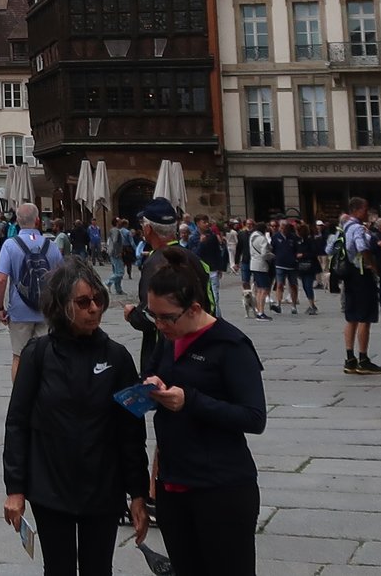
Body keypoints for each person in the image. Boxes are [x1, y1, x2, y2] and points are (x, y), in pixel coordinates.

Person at [2, 262, 151, 576]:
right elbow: (17, 422)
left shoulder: (118, 357)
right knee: (59, 569)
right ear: (61, 306)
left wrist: (138, 492)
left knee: (99, 569)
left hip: (103, 487)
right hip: (50, 485)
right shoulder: (37, 354)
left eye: (98, 299)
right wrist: (15, 488)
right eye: (83, 302)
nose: (94, 308)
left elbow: (132, 432)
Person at [137, 246, 269, 575]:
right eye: (153, 315)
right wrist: (149, 386)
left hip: (221, 489)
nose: (160, 324)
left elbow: (254, 417)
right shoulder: (168, 339)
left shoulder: (230, 345)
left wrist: (191, 401)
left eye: (167, 317)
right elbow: (152, 373)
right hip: (173, 486)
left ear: (194, 307)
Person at [0, 202, 66, 379]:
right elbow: (62, 278)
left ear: (17, 221)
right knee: (46, 356)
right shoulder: (51, 246)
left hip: (19, 310)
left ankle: (20, 397)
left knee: (19, 357)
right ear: (37, 220)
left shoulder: (10, 245)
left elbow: (1, 279)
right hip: (46, 309)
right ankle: (44, 395)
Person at [338, 196, 381, 375]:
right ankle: (363, 359)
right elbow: (361, 247)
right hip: (361, 274)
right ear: (357, 210)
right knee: (364, 317)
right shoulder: (358, 228)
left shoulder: (343, 227)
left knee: (351, 317)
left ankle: (349, 359)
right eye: (365, 209)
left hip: (349, 275)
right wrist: (372, 266)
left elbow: (330, 249)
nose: (367, 212)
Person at [244, 220, 273, 321]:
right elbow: (264, 254)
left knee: (259, 289)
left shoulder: (252, 237)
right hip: (261, 265)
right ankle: (261, 312)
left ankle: (258, 310)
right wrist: (272, 256)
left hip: (254, 264)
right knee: (264, 290)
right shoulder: (262, 239)